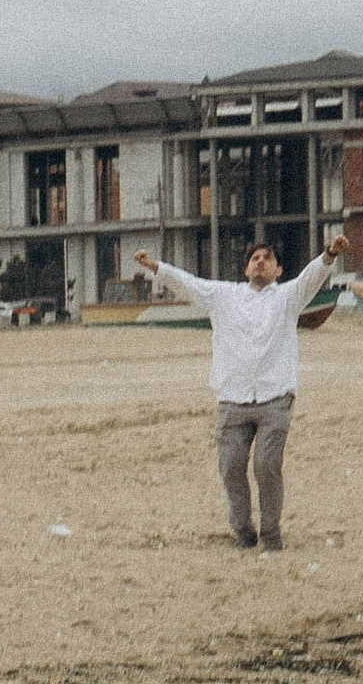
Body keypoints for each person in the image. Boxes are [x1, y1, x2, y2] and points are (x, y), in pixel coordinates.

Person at [132, 229, 349, 552]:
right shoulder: (224, 296)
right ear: (246, 270)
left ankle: (271, 535)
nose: (261, 263)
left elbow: (311, 277)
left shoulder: (288, 297)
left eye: (268, 259)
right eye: (255, 259)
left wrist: (330, 254)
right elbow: (188, 283)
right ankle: (243, 531)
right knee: (232, 468)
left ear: (277, 270)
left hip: (275, 398)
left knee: (266, 465)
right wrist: (155, 266)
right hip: (232, 400)